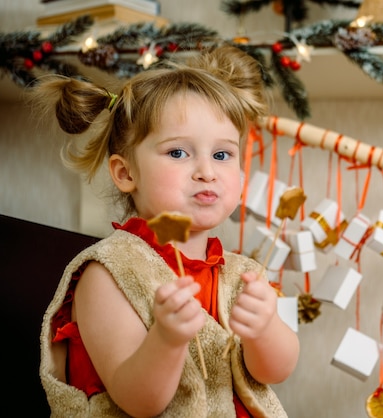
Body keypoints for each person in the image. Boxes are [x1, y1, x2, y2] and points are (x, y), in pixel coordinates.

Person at [32, 44, 299, 417]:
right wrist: (167, 340)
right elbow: (139, 401)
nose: (206, 170)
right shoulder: (108, 273)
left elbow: (277, 371)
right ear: (126, 173)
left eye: (222, 155)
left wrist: (264, 328)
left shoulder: (245, 275)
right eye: (178, 153)